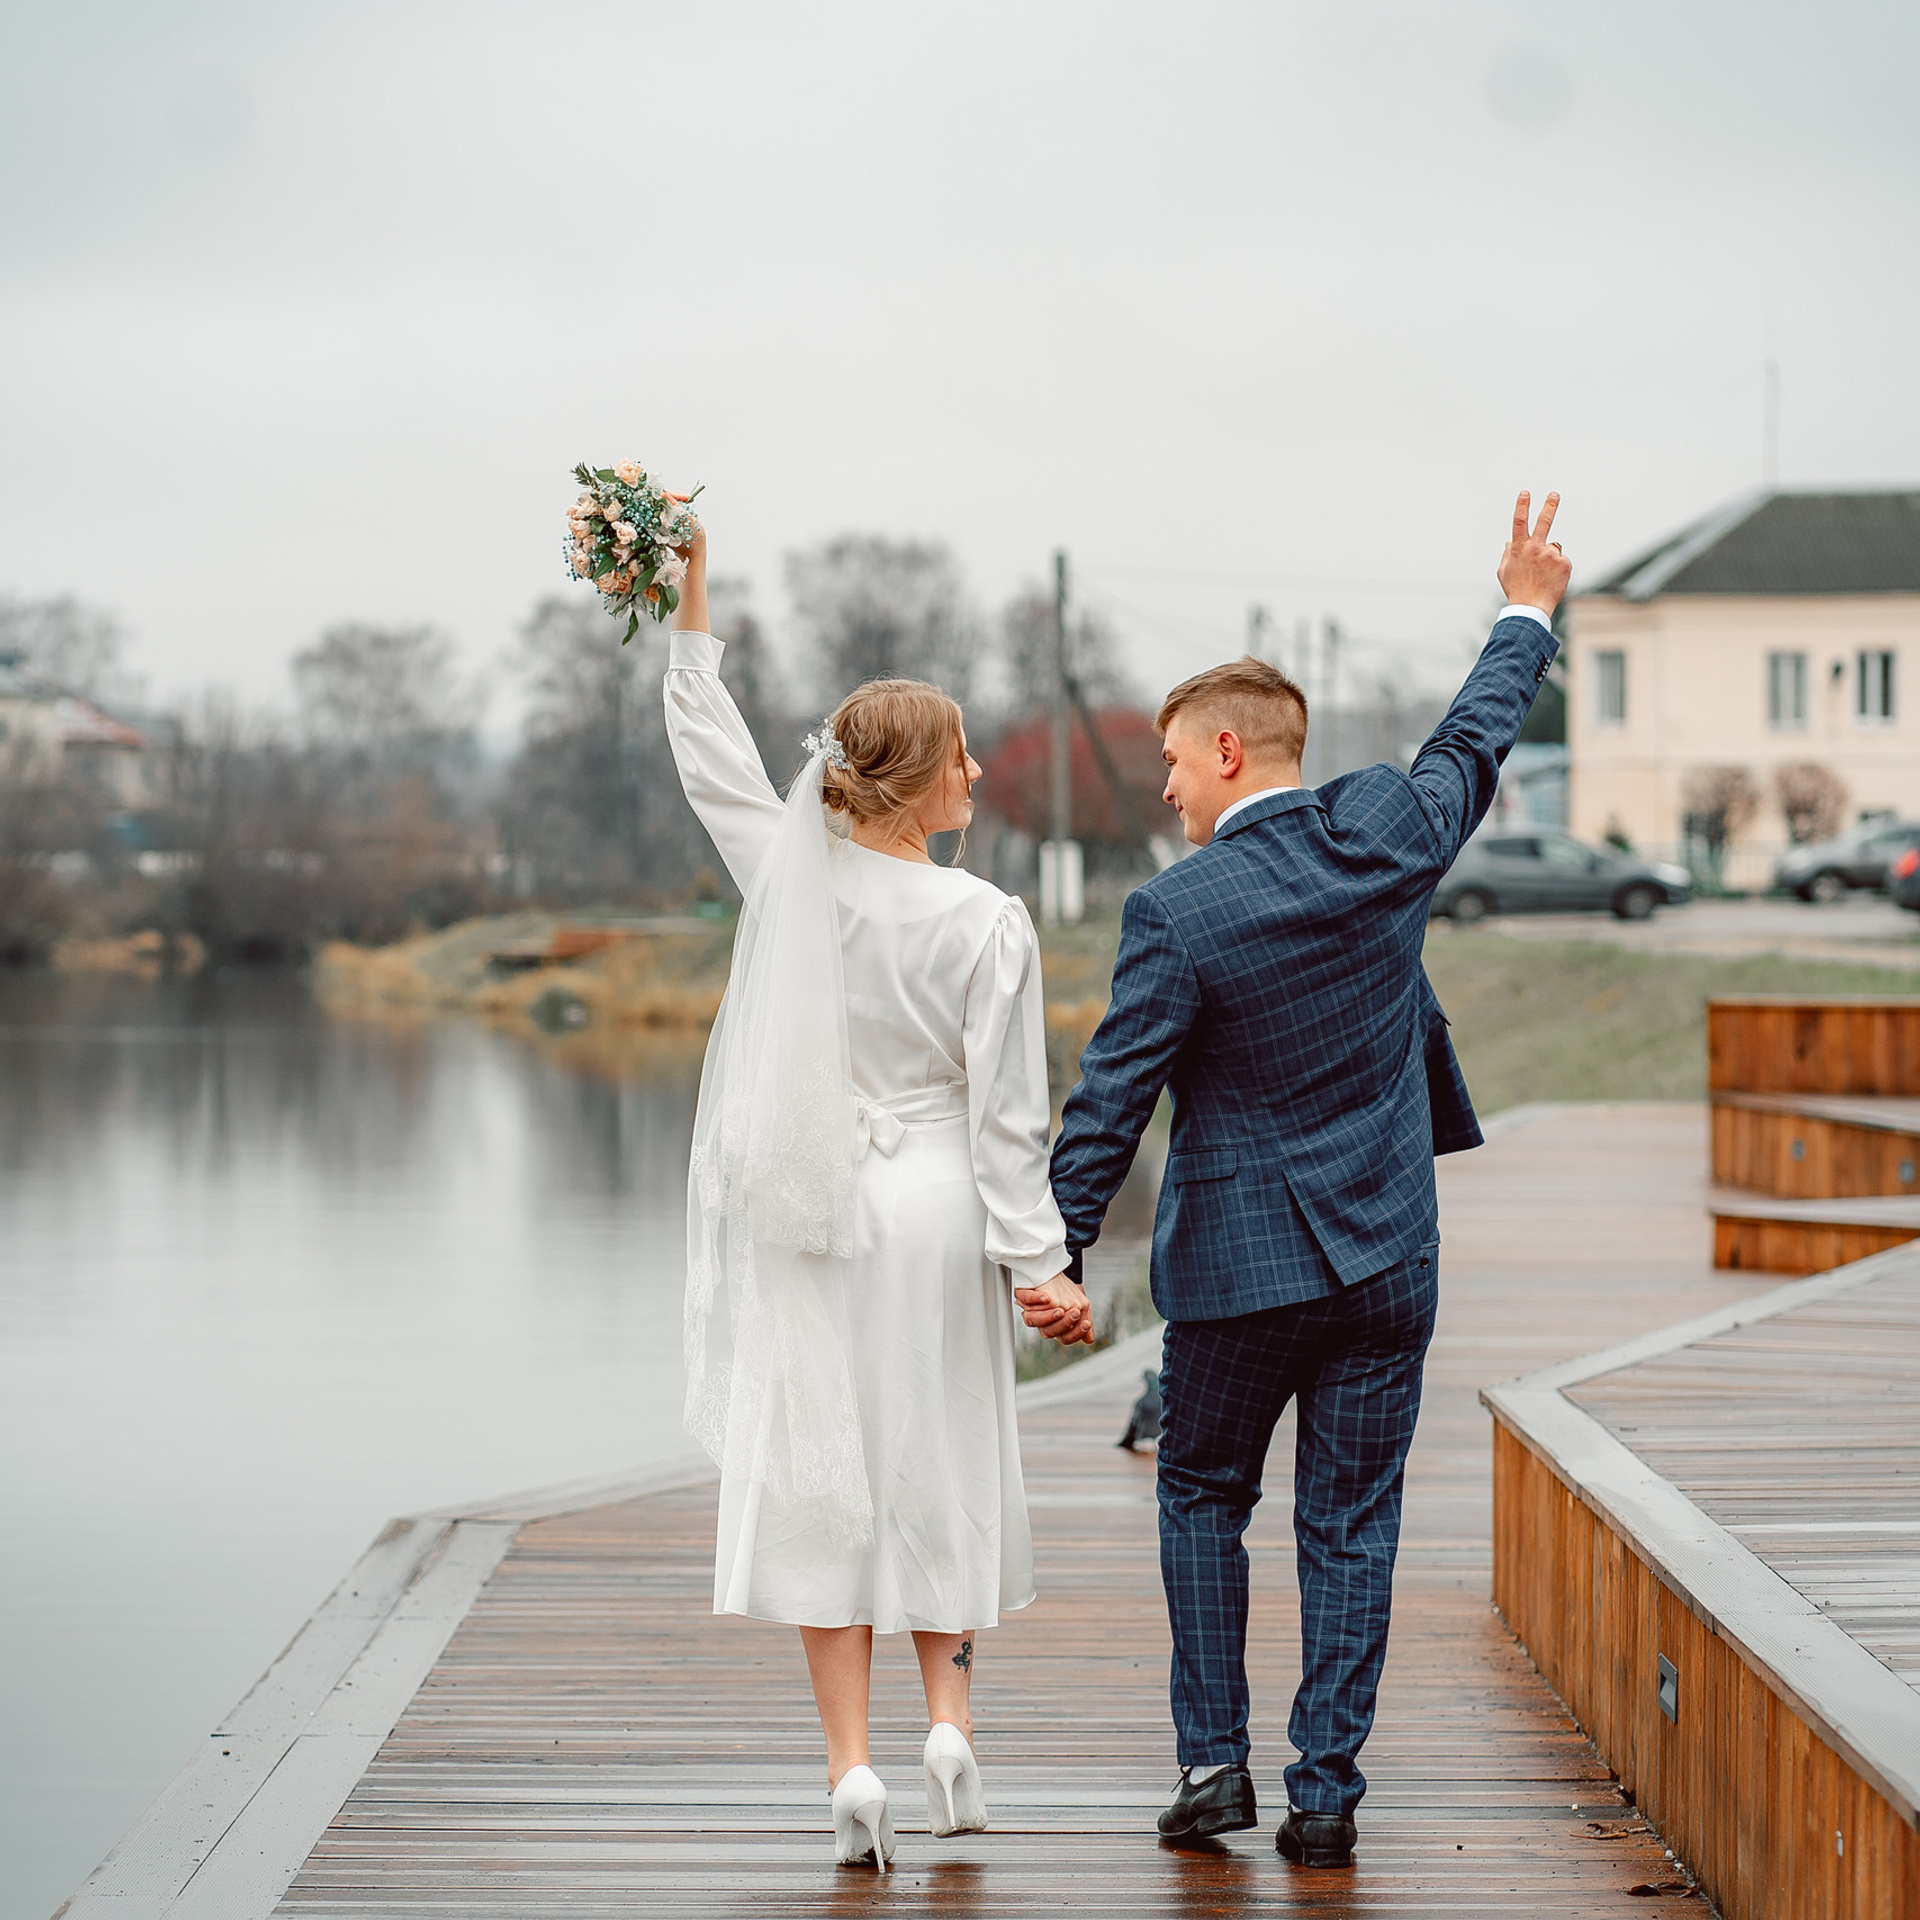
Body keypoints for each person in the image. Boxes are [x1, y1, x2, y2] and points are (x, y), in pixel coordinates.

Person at [1032, 491, 1572, 1867]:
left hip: (1237, 1274)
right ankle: (1325, 1793)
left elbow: (1113, 1096)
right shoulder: (1389, 834)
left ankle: (1215, 1768)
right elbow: (1474, 735)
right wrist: (1526, 610)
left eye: (1170, 761)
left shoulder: (1177, 911)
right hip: (1389, 1257)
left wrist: (1056, 1253)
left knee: (1204, 1494)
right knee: (1352, 1518)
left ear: (1227, 751)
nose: (1162, 787)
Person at [660, 506, 1091, 1870]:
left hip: (814, 1203)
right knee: (942, 1448)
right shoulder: (989, 922)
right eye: (962, 752)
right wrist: (1041, 1265)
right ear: (921, 783)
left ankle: (850, 1766)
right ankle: (949, 1727)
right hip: (940, 1202)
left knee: (822, 1473)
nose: (978, 769)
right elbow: (1010, 1118)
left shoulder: (790, 877)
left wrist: (691, 603)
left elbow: (711, 754)